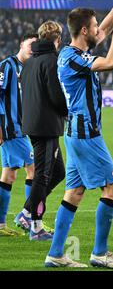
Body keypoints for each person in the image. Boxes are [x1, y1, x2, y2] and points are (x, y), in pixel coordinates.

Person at [44, 0, 113, 268]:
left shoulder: (75, 51)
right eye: (94, 27)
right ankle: (100, 253)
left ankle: (56, 254)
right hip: (86, 134)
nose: (100, 29)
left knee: (74, 193)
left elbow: (101, 28)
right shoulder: (72, 58)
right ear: (84, 30)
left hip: (77, 132)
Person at [14, 21, 67, 241]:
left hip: (34, 124)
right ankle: (28, 215)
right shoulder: (51, 61)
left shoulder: (29, 62)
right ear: (57, 39)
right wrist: (67, 110)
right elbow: (56, 95)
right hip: (46, 126)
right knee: (44, 175)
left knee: (57, 172)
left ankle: (32, 217)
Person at [0, 33, 38, 237]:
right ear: (21, 43)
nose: (33, 48)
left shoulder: (27, 69)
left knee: (9, 175)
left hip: (20, 128)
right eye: (30, 43)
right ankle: (30, 219)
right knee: (33, 169)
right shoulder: (7, 65)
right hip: (11, 129)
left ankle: (0, 225)